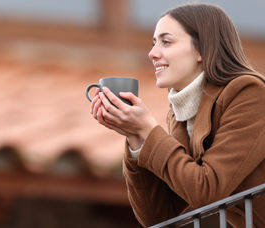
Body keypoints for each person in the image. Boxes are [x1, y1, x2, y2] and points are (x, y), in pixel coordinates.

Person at [89, 3, 265, 228]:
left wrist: (149, 130)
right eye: (154, 43)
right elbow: (160, 215)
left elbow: (207, 190)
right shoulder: (182, 113)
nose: (152, 53)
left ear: (202, 49)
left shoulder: (249, 92)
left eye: (166, 42)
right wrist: (136, 138)